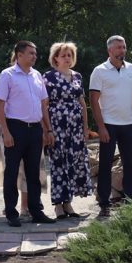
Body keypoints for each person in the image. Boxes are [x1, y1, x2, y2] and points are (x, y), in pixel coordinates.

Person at [0, 40, 55, 227]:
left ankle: (36, 211)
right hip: (15, 127)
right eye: (31, 53)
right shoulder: (8, 75)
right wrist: (5, 132)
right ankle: (12, 213)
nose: (34, 56)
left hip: (35, 129)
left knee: (34, 173)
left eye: (35, 53)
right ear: (19, 55)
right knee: (12, 173)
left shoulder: (37, 75)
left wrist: (48, 129)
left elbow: (43, 104)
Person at [89, 35, 132, 216]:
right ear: (110, 51)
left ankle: (130, 200)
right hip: (109, 124)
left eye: (124, 47)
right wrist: (101, 127)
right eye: (119, 47)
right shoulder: (99, 71)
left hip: (128, 123)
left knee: (130, 163)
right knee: (105, 164)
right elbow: (93, 100)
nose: (122, 50)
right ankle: (104, 202)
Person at [43, 42, 92, 218]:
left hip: (76, 127)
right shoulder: (48, 77)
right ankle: (58, 204)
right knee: (58, 164)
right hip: (57, 125)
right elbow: (44, 105)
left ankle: (68, 203)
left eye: (69, 55)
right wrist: (47, 129)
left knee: (74, 163)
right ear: (55, 58)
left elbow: (82, 103)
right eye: (63, 55)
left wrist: (85, 127)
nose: (67, 58)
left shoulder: (77, 76)